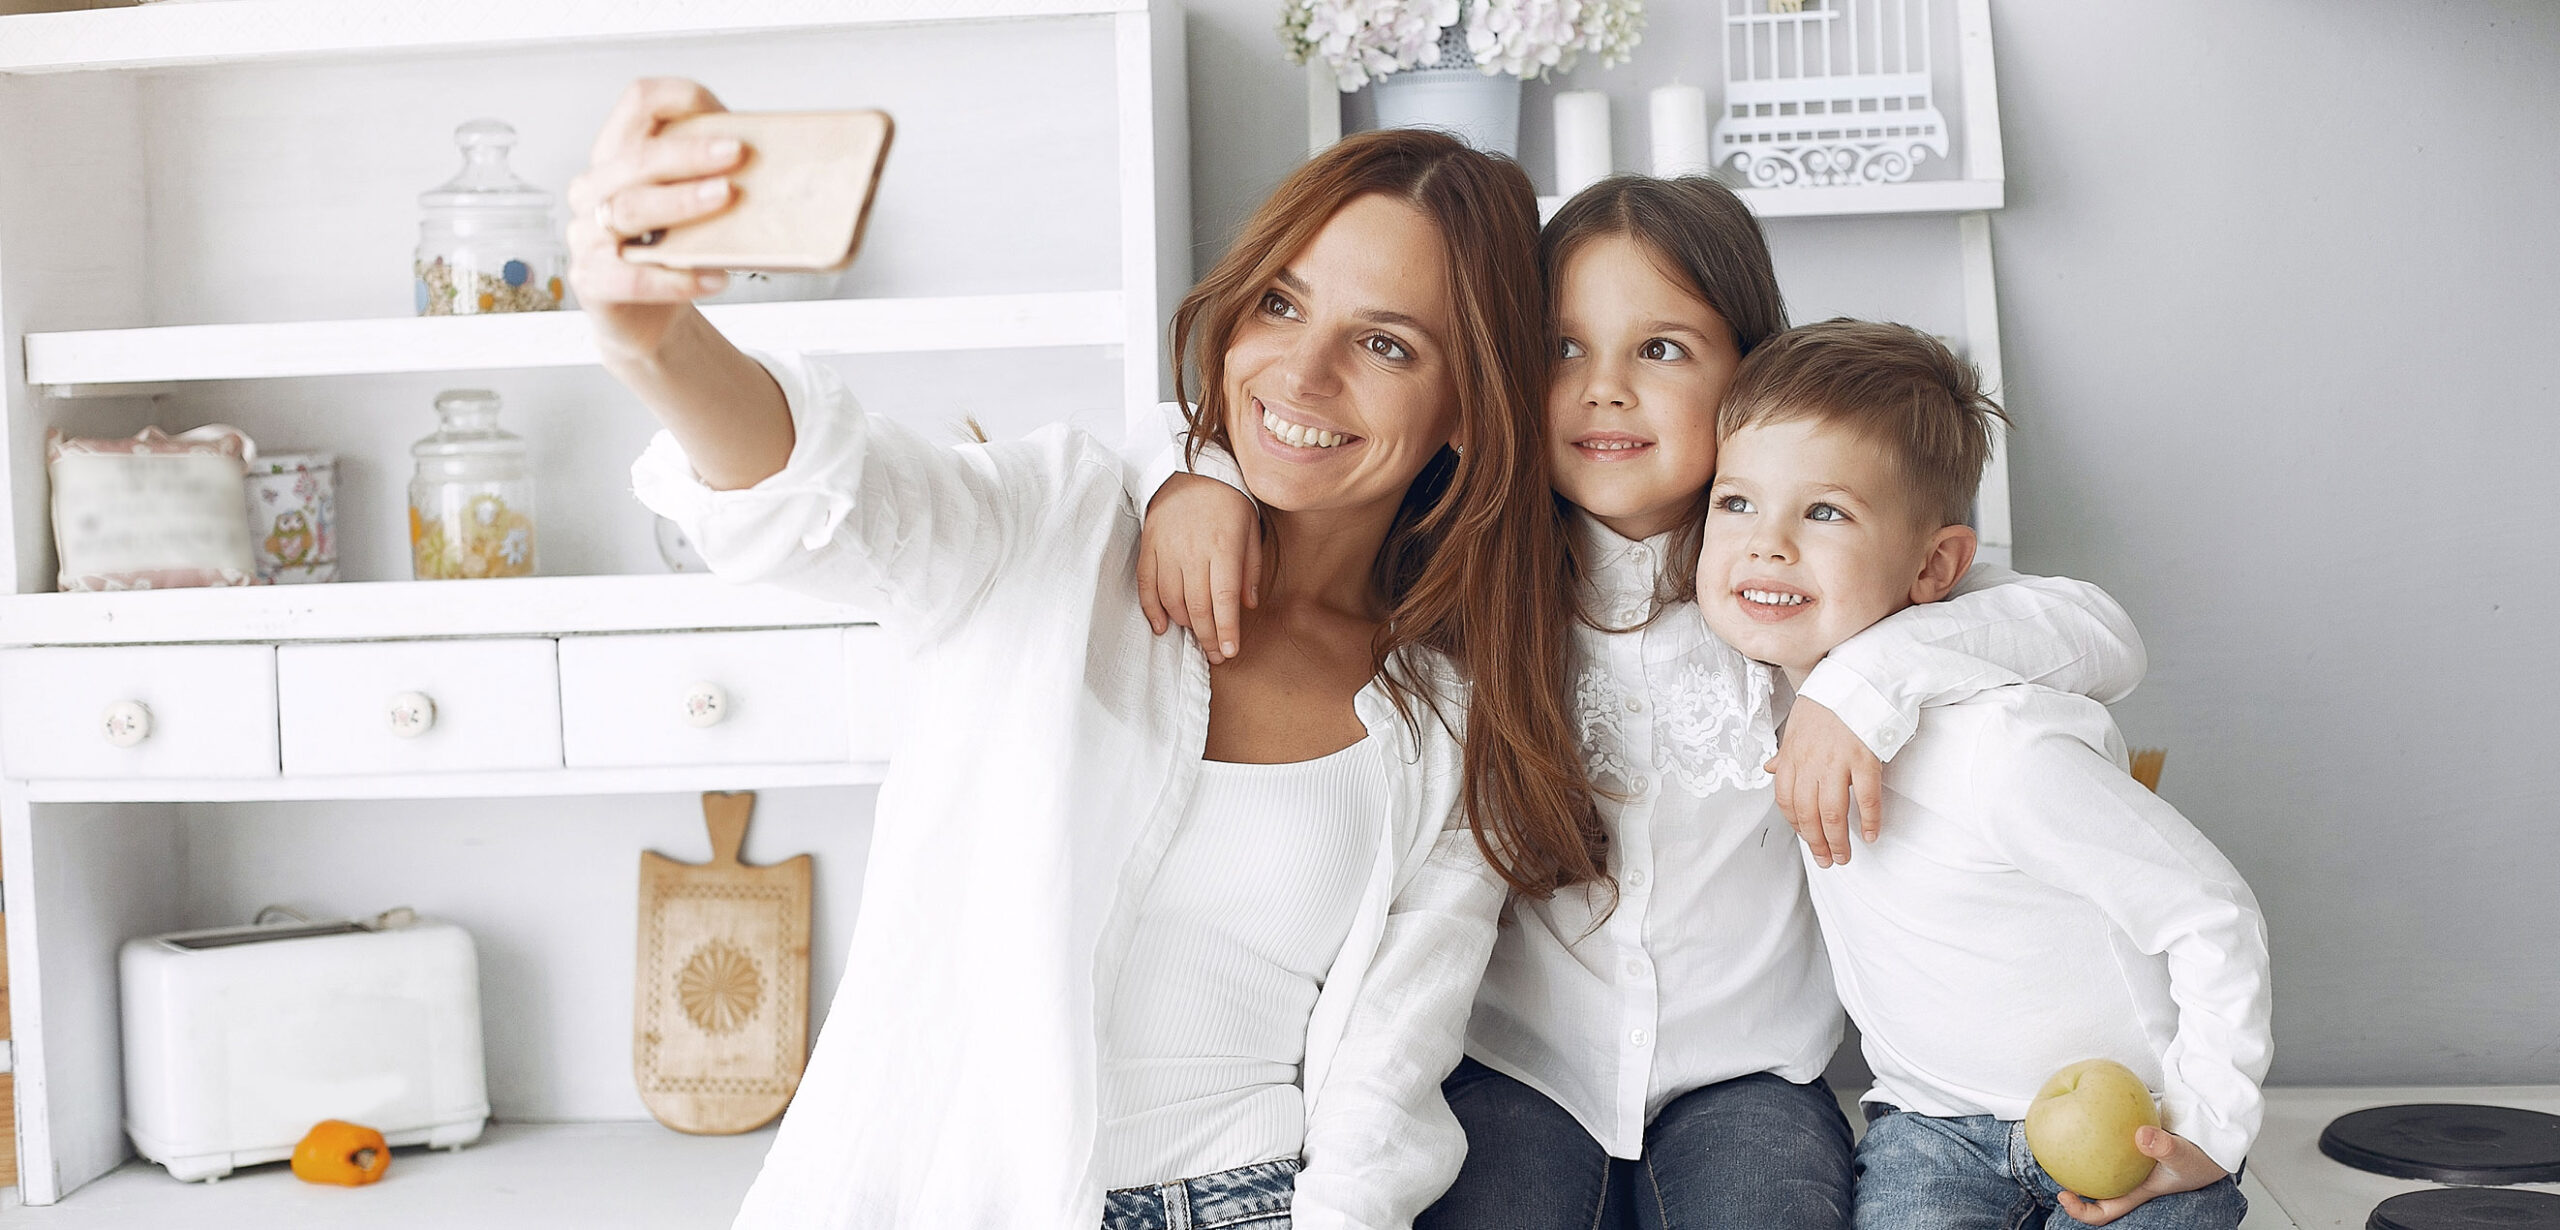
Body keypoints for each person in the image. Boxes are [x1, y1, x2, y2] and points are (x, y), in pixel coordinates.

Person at [568, 79, 1603, 1229]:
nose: (1303, 377)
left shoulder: (1453, 719)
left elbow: (1383, 1081)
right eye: (1278, 306)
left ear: (1469, 407)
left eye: (1385, 344)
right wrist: (656, 343)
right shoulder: (1059, 530)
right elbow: (844, 496)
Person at [1137, 176, 2148, 1229]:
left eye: (1659, 350)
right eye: (1561, 348)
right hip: (1519, 1068)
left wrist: (1864, 682)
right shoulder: (1463, 562)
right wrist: (1197, 473)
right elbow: (1276, 436)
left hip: (1747, 1077)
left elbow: (2094, 630)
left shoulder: (1811, 573)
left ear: (1748, 377)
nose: (1601, 389)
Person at [1695, 319, 2272, 1230]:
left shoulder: (2001, 749)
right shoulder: (1751, 688)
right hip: (1931, 1131)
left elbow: (2211, 912)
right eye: (1735, 503)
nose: (1766, 544)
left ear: (1934, 566)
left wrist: (2211, 1122)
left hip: (2138, 1126)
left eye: (1826, 511)